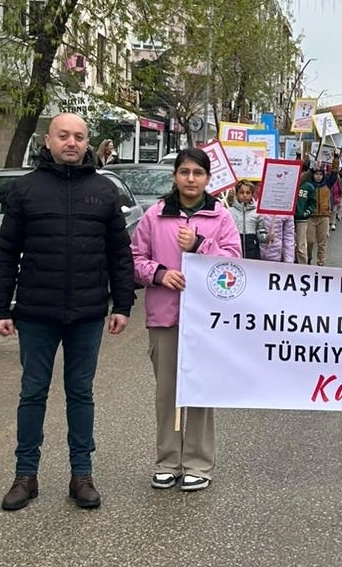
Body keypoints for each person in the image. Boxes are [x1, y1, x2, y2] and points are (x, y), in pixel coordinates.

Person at [0, 113, 135, 511]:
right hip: (36, 312)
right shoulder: (25, 189)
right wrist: (0, 308)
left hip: (87, 313)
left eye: (79, 137)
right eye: (64, 136)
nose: (72, 143)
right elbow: (6, 252)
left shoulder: (104, 191)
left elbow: (119, 253)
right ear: (48, 141)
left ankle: (81, 475)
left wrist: (122, 304)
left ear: (88, 142)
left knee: (81, 393)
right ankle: (25, 475)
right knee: (32, 391)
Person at [131, 148, 241, 492]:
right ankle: (168, 461)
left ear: (208, 178)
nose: (190, 179)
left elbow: (234, 264)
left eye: (197, 173)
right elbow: (134, 258)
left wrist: (199, 245)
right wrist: (159, 274)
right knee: (167, 392)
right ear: (175, 176)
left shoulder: (221, 217)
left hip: (206, 321)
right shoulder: (155, 215)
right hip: (165, 317)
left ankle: (198, 463)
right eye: (184, 172)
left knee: (200, 391)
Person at [228, 180, 267, 259]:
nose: (245, 195)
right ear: (236, 193)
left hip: (252, 252)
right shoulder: (229, 212)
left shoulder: (257, 213)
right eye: (241, 192)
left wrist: (267, 237)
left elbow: (261, 233)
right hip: (235, 251)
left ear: (252, 194)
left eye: (248, 193)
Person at [306, 166, 334, 265]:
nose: (318, 176)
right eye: (316, 174)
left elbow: (334, 174)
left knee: (322, 242)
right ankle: (308, 257)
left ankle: (320, 262)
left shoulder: (327, 184)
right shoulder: (308, 185)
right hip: (311, 216)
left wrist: (335, 159)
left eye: (320, 174)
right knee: (309, 240)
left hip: (323, 216)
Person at [294, 162, 316, 264]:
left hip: (301, 219)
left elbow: (313, 203)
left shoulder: (309, 187)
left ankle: (303, 265)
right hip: (289, 218)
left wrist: (307, 212)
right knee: (289, 243)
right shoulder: (291, 183)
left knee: (301, 244)